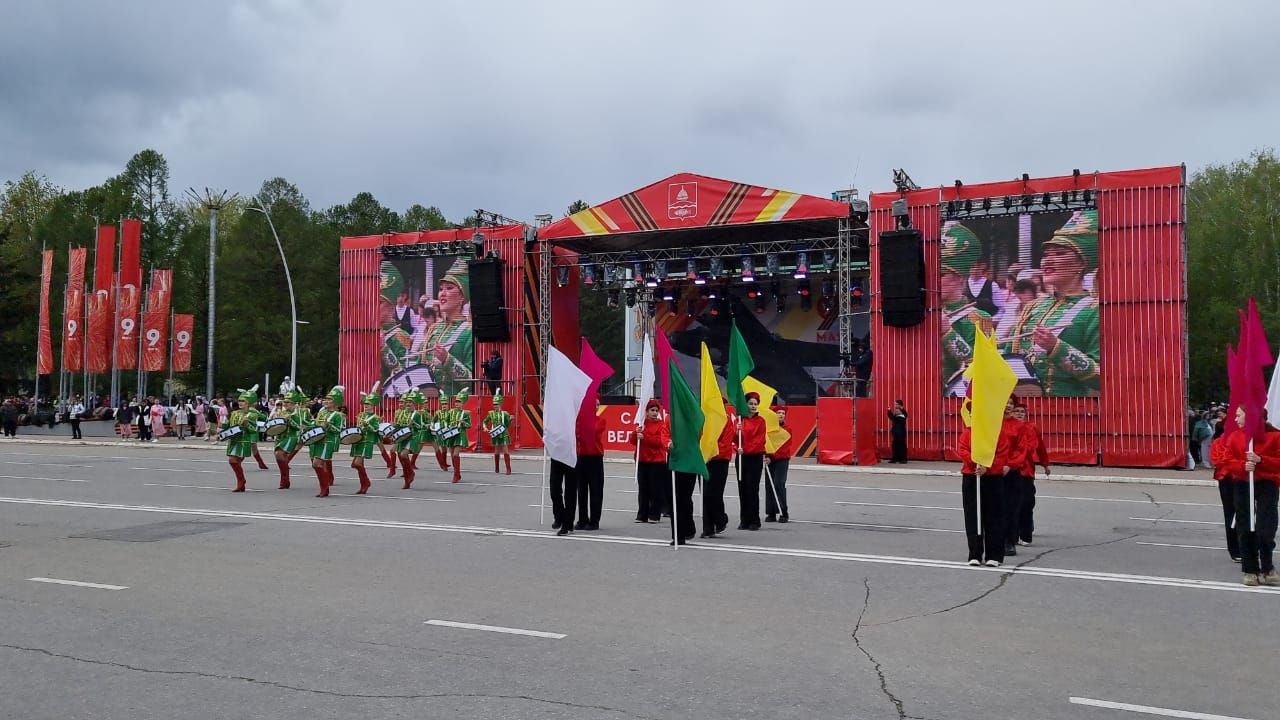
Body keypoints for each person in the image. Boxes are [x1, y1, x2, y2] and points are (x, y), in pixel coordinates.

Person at [1001, 209, 1101, 397]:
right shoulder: (1033, 306)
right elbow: (1010, 356)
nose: (1048, 261)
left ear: (1081, 264)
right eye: (1046, 255)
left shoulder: (1094, 310)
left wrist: (1056, 347)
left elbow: (1101, 377)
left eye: (1060, 253)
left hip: (1068, 411)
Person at [1223, 406, 1280, 586]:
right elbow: (1226, 460)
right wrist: (1242, 466)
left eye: (1239, 415)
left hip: (1267, 483)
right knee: (1245, 526)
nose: (1235, 419)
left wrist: (1261, 460)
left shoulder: (1274, 436)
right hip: (1243, 482)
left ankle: (1267, 566)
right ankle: (1250, 568)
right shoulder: (1236, 437)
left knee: (1266, 528)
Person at [956, 399, 1017, 567]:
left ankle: (994, 555)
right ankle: (974, 553)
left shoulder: (997, 433)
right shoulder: (968, 432)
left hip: (993, 478)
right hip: (971, 476)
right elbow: (962, 450)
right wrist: (976, 464)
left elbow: (1002, 454)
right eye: (972, 412)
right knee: (973, 517)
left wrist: (987, 468)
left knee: (994, 517)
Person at [940, 222, 995, 394]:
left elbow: (984, 368)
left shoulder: (978, 317)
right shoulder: (919, 313)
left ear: (959, 277)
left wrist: (948, 334)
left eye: (941, 275)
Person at [416, 258, 474, 397]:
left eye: (449, 288)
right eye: (441, 289)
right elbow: (418, 370)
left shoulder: (469, 332)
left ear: (462, 297)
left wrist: (447, 359)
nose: (442, 293)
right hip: (428, 406)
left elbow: (473, 382)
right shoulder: (433, 329)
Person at [1010, 404, 1049, 547]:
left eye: (1022, 412)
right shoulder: (1006, 426)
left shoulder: (1031, 428)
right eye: (1017, 411)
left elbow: (1039, 447)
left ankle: (1026, 534)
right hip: (1010, 470)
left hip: (1026, 470)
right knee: (1012, 504)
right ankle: (1012, 536)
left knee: (1027, 502)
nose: (1020, 414)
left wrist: (1045, 463)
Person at [1208, 422, 1241, 563]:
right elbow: (1217, 460)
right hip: (1227, 480)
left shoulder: (1243, 439)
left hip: (1240, 478)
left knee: (1245, 513)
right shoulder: (1218, 442)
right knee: (1230, 513)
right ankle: (1234, 549)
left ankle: (1246, 547)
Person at [224, 386, 266, 493]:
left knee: (233, 460)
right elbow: (228, 427)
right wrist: (223, 427)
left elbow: (253, 430)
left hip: (243, 441)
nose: (241, 402)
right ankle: (241, 482)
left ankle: (241, 482)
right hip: (233, 441)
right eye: (240, 400)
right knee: (233, 461)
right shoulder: (234, 413)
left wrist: (247, 424)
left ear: (248, 402)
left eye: (243, 401)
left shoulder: (252, 415)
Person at [634, 399, 670, 524]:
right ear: (647, 412)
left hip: (657, 461)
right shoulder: (641, 424)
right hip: (642, 460)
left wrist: (645, 437)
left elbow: (659, 442)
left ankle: (654, 514)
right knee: (643, 489)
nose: (655, 413)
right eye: (652, 410)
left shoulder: (661, 424)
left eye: (656, 410)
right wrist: (636, 434)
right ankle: (642, 514)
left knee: (656, 489)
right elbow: (632, 441)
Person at [574, 398, 607, 531]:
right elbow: (577, 434)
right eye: (594, 404)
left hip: (595, 458)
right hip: (581, 457)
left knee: (596, 491)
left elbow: (591, 433)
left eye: (598, 405)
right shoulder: (578, 420)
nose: (596, 407)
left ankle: (594, 521)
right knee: (581, 491)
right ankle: (582, 519)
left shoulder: (601, 421)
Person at [308, 386, 346, 498]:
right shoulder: (322, 413)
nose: (327, 401)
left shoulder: (338, 415)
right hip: (318, 440)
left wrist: (329, 425)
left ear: (335, 402)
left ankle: (324, 488)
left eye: (330, 400)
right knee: (317, 465)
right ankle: (325, 487)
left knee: (317, 464)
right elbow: (315, 425)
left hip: (328, 441)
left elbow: (338, 430)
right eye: (326, 399)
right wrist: (306, 426)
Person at [738, 392, 766, 531]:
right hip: (742, 457)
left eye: (755, 404)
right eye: (751, 403)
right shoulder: (739, 420)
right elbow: (733, 440)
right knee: (742, 488)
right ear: (746, 404)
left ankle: (755, 520)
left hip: (754, 458)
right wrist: (735, 432)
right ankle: (744, 520)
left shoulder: (761, 421)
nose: (753, 406)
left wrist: (746, 450)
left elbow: (759, 441)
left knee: (752, 489)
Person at [272, 387, 309, 490]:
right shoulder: (281, 412)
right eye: (285, 402)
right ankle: (285, 476)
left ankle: (285, 479)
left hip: (291, 437)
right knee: (279, 457)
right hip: (280, 437)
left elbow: (299, 426)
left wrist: (290, 421)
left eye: (288, 402)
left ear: (293, 403)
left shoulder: (300, 413)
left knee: (280, 455)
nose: (285, 403)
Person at [350, 386, 384, 495]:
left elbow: (375, 430)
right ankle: (364, 484)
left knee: (357, 463)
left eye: (368, 404)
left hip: (367, 441)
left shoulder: (375, 418)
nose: (366, 406)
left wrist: (368, 425)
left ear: (372, 405)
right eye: (365, 404)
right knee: (355, 464)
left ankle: (366, 483)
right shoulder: (360, 415)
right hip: (358, 441)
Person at [393, 390, 426, 490]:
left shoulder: (417, 414)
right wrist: (394, 426)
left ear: (414, 403)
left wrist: (413, 423)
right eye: (407, 402)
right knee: (400, 457)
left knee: (403, 454)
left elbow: (421, 426)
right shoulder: (402, 413)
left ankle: (411, 472)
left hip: (412, 437)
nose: (408, 404)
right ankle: (407, 480)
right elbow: (399, 425)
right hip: (402, 437)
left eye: (410, 402)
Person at [765, 405, 792, 523]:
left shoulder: (787, 430)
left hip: (782, 460)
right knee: (769, 485)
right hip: (769, 460)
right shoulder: (769, 429)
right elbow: (765, 444)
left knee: (779, 484)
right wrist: (766, 456)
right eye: (778, 413)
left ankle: (783, 512)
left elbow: (784, 448)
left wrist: (771, 456)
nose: (781, 415)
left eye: (783, 413)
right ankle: (771, 513)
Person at [443, 389, 472, 483]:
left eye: (459, 402)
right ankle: (457, 473)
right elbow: (446, 421)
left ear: (463, 403)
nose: (457, 403)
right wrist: (446, 427)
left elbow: (469, 425)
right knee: (451, 455)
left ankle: (455, 475)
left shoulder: (466, 413)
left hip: (460, 435)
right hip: (451, 435)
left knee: (456, 454)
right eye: (456, 401)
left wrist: (463, 423)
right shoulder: (451, 412)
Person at [482, 390, 513, 476]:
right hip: (495, 434)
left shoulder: (505, 414)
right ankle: (497, 467)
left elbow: (507, 424)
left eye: (497, 404)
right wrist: (485, 428)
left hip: (504, 434)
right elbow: (485, 421)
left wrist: (510, 419)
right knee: (496, 451)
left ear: (501, 404)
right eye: (494, 404)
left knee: (506, 450)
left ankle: (508, 468)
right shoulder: (491, 414)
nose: (495, 406)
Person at [549, 457, 577, 536]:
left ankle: (568, 524)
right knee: (554, 490)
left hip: (571, 457)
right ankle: (559, 517)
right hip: (556, 457)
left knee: (570, 493)